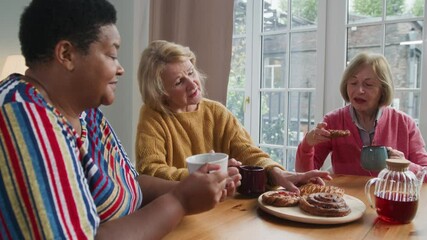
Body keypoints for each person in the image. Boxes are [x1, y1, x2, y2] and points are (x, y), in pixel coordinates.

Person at [0, 1, 239, 239]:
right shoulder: (22, 115)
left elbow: (131, 182)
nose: (120, 68)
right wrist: (181, 200)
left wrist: (195, 187)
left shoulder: (87, 114)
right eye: (112, 55)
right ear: (67, 54)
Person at [135, 40, 332, 192]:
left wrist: (277, 172)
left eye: (191, 72)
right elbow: (150, 171)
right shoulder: (152, 117)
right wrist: (200, 175)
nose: (193, 83)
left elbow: (247, 152)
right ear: (161, 93)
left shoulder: (216, 112)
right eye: (179, 81)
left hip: (222, 208)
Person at [295, 52, 427, 179]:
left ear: (383, 90)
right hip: (346, 200)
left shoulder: (404, 123)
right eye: (353, 83)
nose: (359, 90)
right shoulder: (333, 121)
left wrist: (405, 166)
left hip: (388, 201)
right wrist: (307, 144)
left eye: (368, 85)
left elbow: (424, 172)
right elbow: (304, 176)